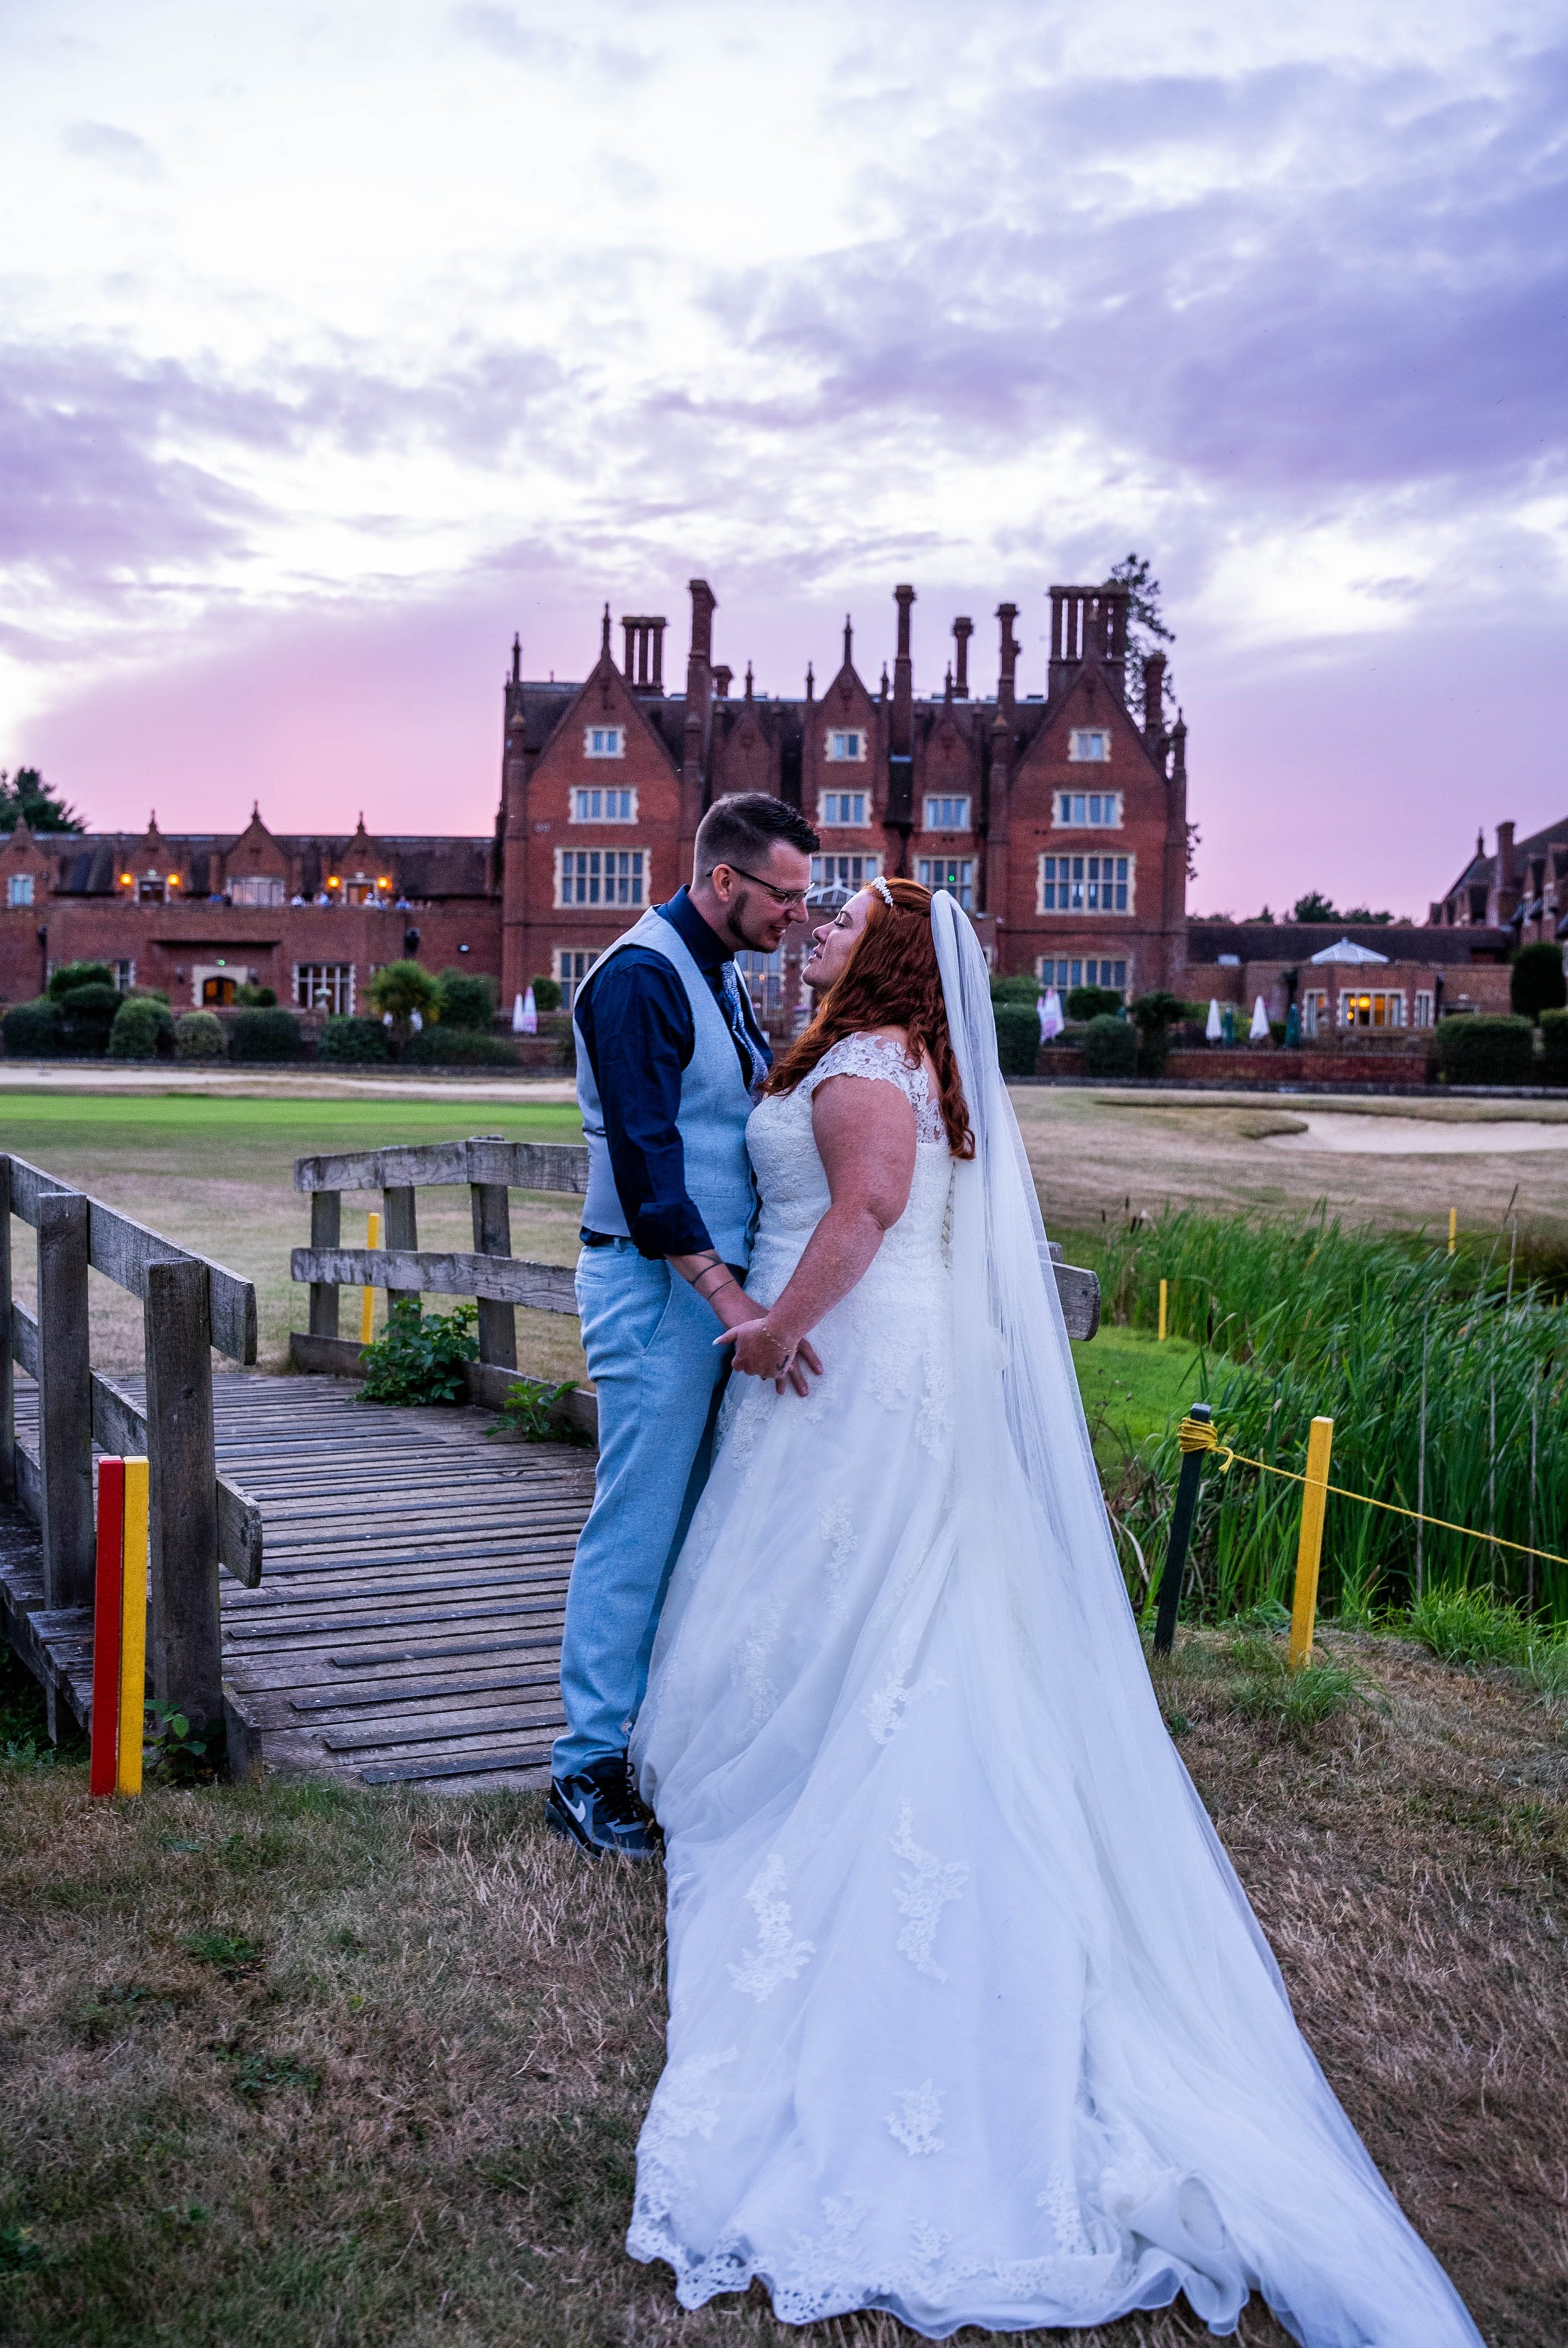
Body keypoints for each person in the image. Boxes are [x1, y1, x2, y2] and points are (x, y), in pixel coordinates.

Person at [625, 878, 1481, 2344]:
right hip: (869, 1364)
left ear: (886, 957)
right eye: (811, 917)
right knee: (866, 1591)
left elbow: (873, 1208)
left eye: (835, 925)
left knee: (871, 1594)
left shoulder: (873, 1063)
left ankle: (812, 1769)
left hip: (847, 1366)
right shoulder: (884, 1054)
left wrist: (772, 1328)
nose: (814, 934)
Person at [546, 792, 821, 1859]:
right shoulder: (640, 976)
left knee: (698, 1523)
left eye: (802, 900)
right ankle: (584, 1768)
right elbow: (648, 1169)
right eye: (782, 896)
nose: (795, 915)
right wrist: (731, 1298)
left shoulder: (712, 973)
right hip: (660, 1292)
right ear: (723, 881)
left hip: (701, 1292)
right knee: (639, 1526)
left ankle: (657, 1736)